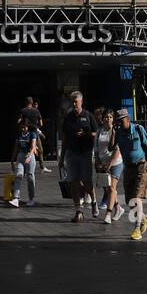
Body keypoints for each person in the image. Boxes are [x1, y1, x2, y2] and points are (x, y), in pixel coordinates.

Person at [113, 107, 147, 240]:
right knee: (129, 202)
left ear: (128, 119)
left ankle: (137, 228)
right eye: (118, 121)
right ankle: (144, 218)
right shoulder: (119, 132)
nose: (119, 123)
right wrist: (113, 133)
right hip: (128, 168)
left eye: (121, 121)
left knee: (136, 198)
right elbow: (111, 147)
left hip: (141, 167)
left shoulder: (138, 129)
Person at [58, 91, 98, 222]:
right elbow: (64, 139)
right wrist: (62, 157)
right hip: (71, 154)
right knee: (73, 183)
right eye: (72, 101)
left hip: (86, 153)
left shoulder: (88, 116)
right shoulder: (68, 118)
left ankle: (93, 201)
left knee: (87, 182)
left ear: (81, 101)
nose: (74, 104)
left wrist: (86, 135)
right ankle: (78, 211)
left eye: (76, 101)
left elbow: (96, 134)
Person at [94, 109, 124, 223]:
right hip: (102, 162)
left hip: (115, 163)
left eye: (111, 117)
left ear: (113, 119)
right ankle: (118, 208)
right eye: (106, 117)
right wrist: (97, 161)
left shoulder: (115, 132)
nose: (108, 119)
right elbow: (96, 148)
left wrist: (109, 164)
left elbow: (117, 151)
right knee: (107, 189)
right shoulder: (99, 131)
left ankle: (108, 213)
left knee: (112, 188)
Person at [10, 116, 39, 208]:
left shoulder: (32, 134)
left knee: (30, 177)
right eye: (22, 127)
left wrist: (29, 156)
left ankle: (31, 199)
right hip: (21, 156)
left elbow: (33, 146)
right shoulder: (19, 134)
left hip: (29, 156)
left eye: (24, 127)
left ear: (28, 126)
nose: (23, 129)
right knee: (18, 176)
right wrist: (12, 160)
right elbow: (16, 147)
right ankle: (16, 198)